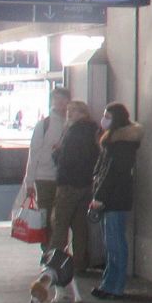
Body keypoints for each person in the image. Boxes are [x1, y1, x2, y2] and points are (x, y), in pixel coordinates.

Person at [87, 103, 142, 300]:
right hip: (113, 198)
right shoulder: (113, 140)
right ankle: (109, 283)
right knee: (111, 244)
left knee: (115, 243)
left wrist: (99, 197)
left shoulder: (121, 144)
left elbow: (111, 173)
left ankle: (115, 286)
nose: (104, 120)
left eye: (108, 116)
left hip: (114, 199)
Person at [50, 100, 100, 281]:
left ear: (82, 113)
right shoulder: (94, 131)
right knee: (80, 225)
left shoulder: (72, 132)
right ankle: (80, 262)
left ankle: (55, 263)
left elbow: (66, 159)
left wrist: (56, 153)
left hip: (68, 183)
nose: (68, 114)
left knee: (60, 223)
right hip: (86, 184)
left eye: (72, 111)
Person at [18, 87, 70, 248]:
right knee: (45, 216)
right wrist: (29, 181)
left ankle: (57, 250)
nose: (60, 103)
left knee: (61, 218)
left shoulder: (71, 124)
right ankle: (47, 250)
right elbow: (34, 153)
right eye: (56, 99)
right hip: (44, 177)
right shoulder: (44, 124)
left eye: (63, 99)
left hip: (65, 177)